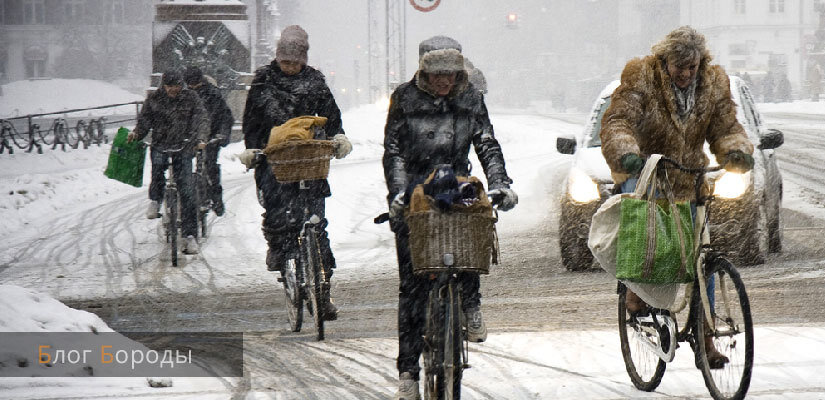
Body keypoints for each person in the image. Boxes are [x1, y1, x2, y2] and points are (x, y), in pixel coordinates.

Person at [599, 26, 754, 369]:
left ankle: (705, 336)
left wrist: (735, 151)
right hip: (648, 170)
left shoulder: (713, 84)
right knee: (648, 239)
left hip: (689, 177)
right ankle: (637, 293)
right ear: (664, 61)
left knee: (702, 261)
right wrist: (627, 154)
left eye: (691, 67)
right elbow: (619, 121)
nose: (684, 73)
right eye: (678, 66)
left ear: (701, 64)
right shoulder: (642, 77)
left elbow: (726, 127)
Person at [383, 36, 518, 399]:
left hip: (458, 186)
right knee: (412, 288)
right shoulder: (404, 99)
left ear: (459, 71)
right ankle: (409, 372)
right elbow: (393, 151)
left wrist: (500, 184)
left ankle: (471, 303)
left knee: (473, 231)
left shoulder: (471, 97)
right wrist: (398, 193)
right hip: (415, 192)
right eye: (436, 73)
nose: (444, 80)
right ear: (424, 72)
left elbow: (486, 142)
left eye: (450, 73)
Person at [239, 25, 352, 320]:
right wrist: (254, 149)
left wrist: (338, 136)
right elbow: (251, 120)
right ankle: (279, 251)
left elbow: (332, 115)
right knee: (279, 217)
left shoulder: (315, 83)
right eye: (285, 61)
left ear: (304, 59)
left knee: (318, 227)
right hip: (273, 160)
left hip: (308, 159)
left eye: (295, 62)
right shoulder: (263, 82)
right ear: (277, 58)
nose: (289, 67)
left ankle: (322, 293)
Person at [127, 69, 210, 255]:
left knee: (187, 190)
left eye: (177, 86)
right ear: (163, 85)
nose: (173, 90)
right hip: (161, 143)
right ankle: (155, 200)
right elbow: (145, 120)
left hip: (184, 146)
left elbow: (201, 118)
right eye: (169, 86)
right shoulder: (154, 99)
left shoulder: (191, 98)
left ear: (182, 85)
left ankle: (190, 236)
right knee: (157, 169)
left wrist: (201, 138)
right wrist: (137, 133)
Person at [183, 66, 234, 216]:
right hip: (187, 138)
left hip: (210, 137)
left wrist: (222, 135)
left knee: (210, 166)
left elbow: (225, 116)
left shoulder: (213, 94)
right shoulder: (183, 95)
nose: (193, 87)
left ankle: (216, 197)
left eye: (196, 84)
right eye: (190, 84)